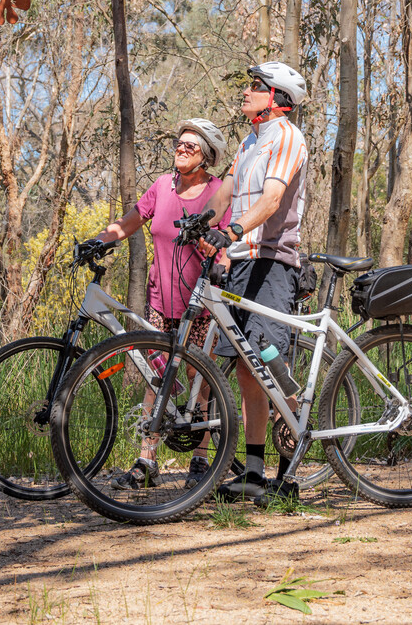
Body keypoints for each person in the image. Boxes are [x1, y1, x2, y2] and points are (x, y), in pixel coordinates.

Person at [88, 118, 230, 489]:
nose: (181, 150)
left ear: (207, 157)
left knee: (199, 380)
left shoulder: (217, 193)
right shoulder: (162, 187)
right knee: (156, 379)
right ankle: (146, 461)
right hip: (160, 301)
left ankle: (200, 460)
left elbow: (225, 244)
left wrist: (221, 260)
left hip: (199, 303)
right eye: (178, 144)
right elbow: (129, 222)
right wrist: (98, 241)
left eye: (190, 146)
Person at [204, 61, 310, 503]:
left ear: (277, 98)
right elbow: (226, 190)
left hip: (273, 260)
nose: (246, 92)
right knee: (247, 369)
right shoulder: (250, 139)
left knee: (265, 359)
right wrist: (200, 222)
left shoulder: (287, 137)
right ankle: (252, 471)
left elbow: (271, 199)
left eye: (255, 86)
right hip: (243, 259)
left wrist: (232, 230)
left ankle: (296, 429)